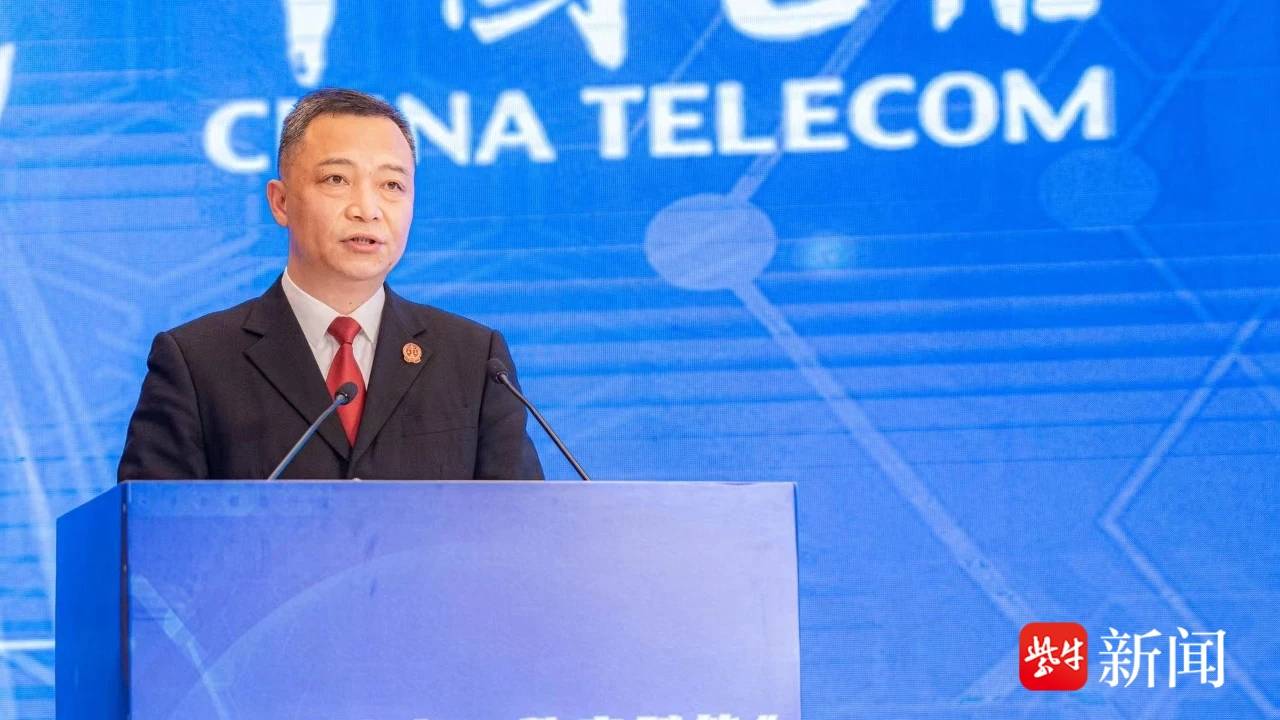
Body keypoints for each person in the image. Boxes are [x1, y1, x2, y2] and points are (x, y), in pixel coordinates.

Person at [118, 88, 543, 481]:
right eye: (336, 180)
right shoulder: (197, 363)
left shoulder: (475, 360)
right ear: (281, 202)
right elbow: (151, 528)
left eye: (392, 185)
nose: (367, 209)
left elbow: (524, 525)